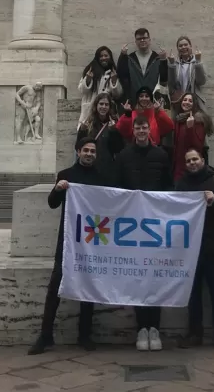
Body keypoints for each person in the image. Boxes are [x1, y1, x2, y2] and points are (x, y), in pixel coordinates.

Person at [28, 138, 108, 355]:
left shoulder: (101, 178)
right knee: (55, 285)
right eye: (86, 150)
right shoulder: (66, 175)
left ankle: (85, 334)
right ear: (78, 152)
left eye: (93, 151)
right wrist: (57, 189)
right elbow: (52, 203)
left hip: (91, 239)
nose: (89, 154)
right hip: (68, 239)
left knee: (88, 286)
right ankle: (45, 335)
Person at [114, 113, 173, 351]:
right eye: (137, 127)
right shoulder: (124, 156)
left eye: (144, 127)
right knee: (139, 277)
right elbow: (117, 187)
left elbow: (169, 186)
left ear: (149, 130)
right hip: (132, 224)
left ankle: (154, 328)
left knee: (154, 277)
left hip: (155, 223)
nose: (140, 130)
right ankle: (141, 328)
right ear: (133, 130)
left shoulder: (161, 155)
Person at [175, 147, 214, 351]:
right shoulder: (181, 184)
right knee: (193, 294)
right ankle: (195, 333)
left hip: (212, 246)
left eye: (195, 159)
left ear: (203, 160)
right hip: (190, 249)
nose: (192, 163)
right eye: (188, 160)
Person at [75, 92, 125, 184]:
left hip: (107, 168)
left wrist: (114, 132)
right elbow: (78, 146)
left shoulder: (114, 124)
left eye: (106, 104)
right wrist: (82, 131)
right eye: (101, 104)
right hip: (89, 167)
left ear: (110, 107)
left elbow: (118, 148)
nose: (104, 107)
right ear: (96, 105)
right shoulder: (87, 123)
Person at [117, 28, 167, 109]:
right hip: (134, 102)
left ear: (149, 40)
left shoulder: (157, 58)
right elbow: (122, 76)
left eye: (145, 38)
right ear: (135, 42)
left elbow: (164, 79)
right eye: (139, 39)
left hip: (154, 102)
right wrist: (122, 56)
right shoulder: (130, 58)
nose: (142, 40)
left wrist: (164, 60)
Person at [170, 93, 214, 182]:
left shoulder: (198, 120)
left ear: (194, 104)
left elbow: (197, 146)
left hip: (191, 166)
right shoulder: (179, 119)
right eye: (185, 100)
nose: (186, 102)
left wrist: (190, 128)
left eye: (190, 101)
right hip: (178, 166)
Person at [77, 46, 119, 127]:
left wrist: (114, 81)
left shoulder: (114, 72)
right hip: (90, 111)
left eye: (106, 55)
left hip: (106, 111)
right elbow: (81, 90)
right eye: (101, 56)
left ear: (110, 57)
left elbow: (117, 95)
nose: (103, 58)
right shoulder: (90, 70)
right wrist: (88, 80)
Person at [161, 36, 206, 109]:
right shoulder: (174, 64)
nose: (183, 47)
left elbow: (201, 82)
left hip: (194, 102)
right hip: (178, 102)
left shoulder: (197, 62)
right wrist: (171, 64)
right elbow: (171, 84)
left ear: (190, 46)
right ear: (178, 49)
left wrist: (198, 61)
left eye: (185, 44)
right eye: (180, 46)